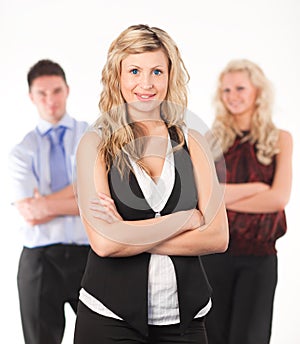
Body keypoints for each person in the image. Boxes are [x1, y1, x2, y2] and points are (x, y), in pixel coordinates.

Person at [73, 24, 229, 344]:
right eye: (134, 71)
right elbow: (103, 244)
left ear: (170, 75)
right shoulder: (94, 144)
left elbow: (217, 236)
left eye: (157, 71)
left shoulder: (193, 141)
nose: (146, 84)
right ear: (117, 76)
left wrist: (126, 237)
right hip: (108, 318)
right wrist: (186, 219)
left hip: (185, 320)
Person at [201, 59, 293, 344]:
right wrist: (255, 188)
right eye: (226, 90)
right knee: (212, 336)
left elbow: (278, 197)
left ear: (257, 92)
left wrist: (224, 196)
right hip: (215, 253)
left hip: (259, 257)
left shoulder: (281, 139)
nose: (233, 96)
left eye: (240, 88)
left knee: (250, 337)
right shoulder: (210, 140)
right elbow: (204, 198)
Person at [9, 59, 90, 344]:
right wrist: (80, 194)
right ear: (31, 97)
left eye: (56, 91)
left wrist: (45, 204)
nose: (50, 100)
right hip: (40, 260)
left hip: (89, 257)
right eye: (42, 93)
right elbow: (29, 214)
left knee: (106, 336)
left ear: (67, 90)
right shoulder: (22, 151)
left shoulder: (92, 137)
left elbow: (102, 197)